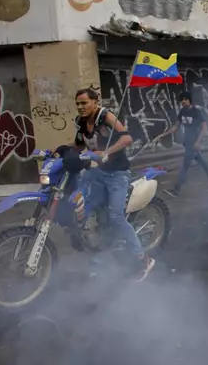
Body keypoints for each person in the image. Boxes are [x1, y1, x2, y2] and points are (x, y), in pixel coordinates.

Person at [72, 88, 155, 281]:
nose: (80, 107)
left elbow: (127, 138)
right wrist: (56, 152)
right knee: (88, 207)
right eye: (77, 103)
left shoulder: (105, 116)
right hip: (98, 172)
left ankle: (143, 259)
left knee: (116, 216)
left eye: (84, 103)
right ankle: (102, 253)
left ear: (95, 102)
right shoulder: (81, 122)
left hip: (117, 174)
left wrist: (107, 151)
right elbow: (78, 146)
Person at [154, 92, 208, 198]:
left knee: (185, 166)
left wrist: (198, 142)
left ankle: (176, 189)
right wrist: (163, 135)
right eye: (181, 99)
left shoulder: (196, 112)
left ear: (189, 100)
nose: (183, 101)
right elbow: (176, 127)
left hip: (193, 144)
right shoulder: (182, 112)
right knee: (203, 163)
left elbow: (204, 128)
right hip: (188, 143)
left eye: (185, 99)